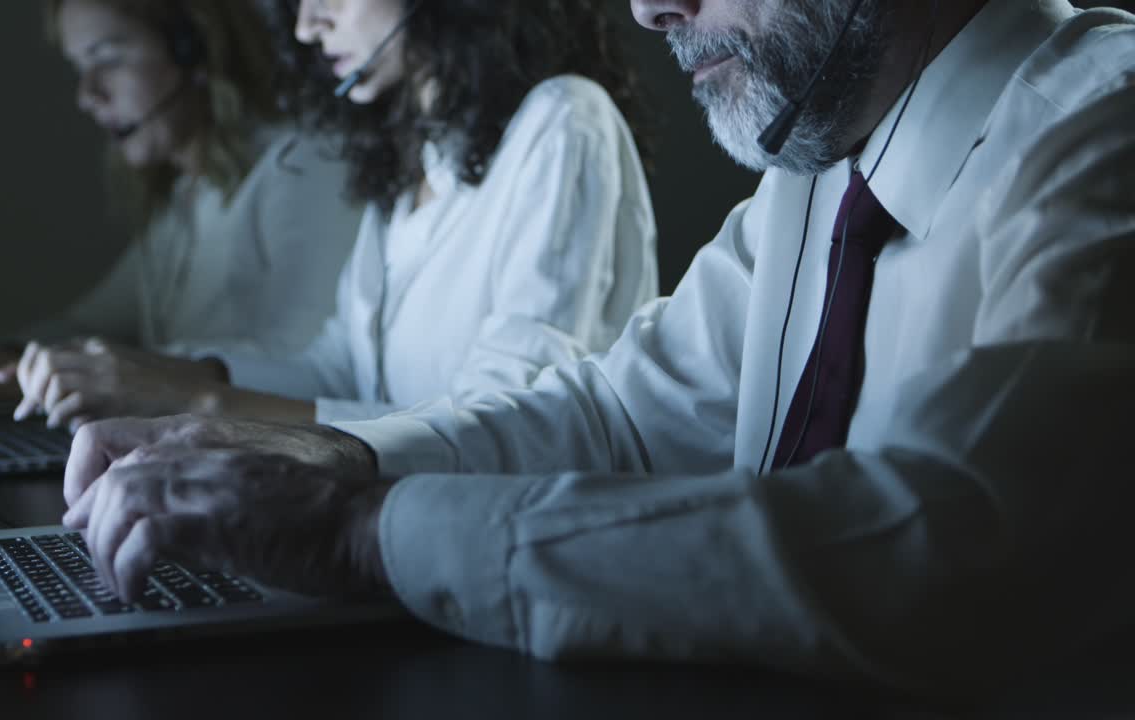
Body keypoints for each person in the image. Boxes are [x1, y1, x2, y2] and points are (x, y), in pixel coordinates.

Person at [59, 0, 1135, 695]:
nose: (647, 7)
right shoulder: (808, 182)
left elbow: (952, 546)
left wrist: (368, 531)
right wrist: (343, 462)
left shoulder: (1101, 124)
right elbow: (612, 415)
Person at [9, 0, 659, 427]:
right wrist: (172, 375)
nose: (306, 25)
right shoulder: (411, 160)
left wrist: (204, 402)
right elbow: (342, 368)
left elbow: (504, 424)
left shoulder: (564, 122)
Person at [0, 0, 362, 422]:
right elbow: (89, 324)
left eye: (108, 59)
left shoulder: (299, 165)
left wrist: (118, 375)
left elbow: (299, 357)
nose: (87, 94)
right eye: (80, 67)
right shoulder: (184, 199)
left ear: (194, 49)